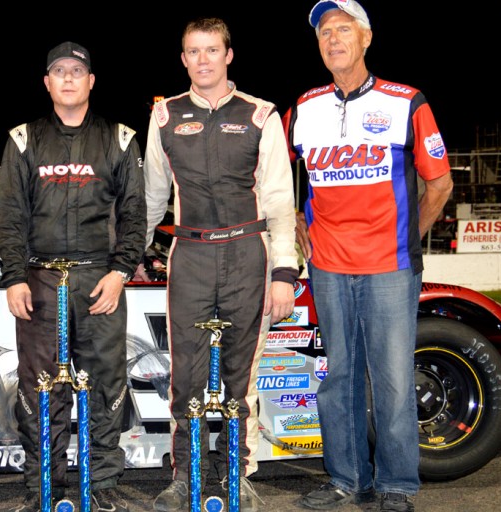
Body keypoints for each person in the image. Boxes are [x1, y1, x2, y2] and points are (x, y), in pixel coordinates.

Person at [284, 2, 454, 511]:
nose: (333, 40)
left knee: (393, 381)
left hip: (389, 267)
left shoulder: (408, 101)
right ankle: (346, 480)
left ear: (366, 37)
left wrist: (405, 240)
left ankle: (397, 485)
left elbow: (440, 185)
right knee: (339, 379)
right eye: (324, 33)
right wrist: (295, 222)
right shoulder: (304, 106)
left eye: (343, 30)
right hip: (329, 267)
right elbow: (268, 171)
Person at [143, 17, 298, 512]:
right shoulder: (164, 116)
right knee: (183, 377)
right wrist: (128, 256)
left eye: (212, 50)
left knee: (239, 376)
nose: (203, 59)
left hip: (247, 254)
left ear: (229, 55)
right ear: (183, 58)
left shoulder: (260, 115)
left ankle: (238, 476)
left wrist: (283, 274)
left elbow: (278, 200)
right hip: (189, 255)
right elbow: (151, 198)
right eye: (194, 51)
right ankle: (184, 478)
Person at [0, 41, 144, 512]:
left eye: (76, 71)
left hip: (99, 282)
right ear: (47, 82)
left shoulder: (120, 138)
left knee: (105, 386)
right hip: (39, 282)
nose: (67, 78)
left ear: (91, 81)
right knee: (41, 389)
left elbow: (135, 214)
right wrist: (14, 276)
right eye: (58, 71)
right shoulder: (22, 139)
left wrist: (121, 271)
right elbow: (8, 216)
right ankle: (44, 486)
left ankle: (101, 486)